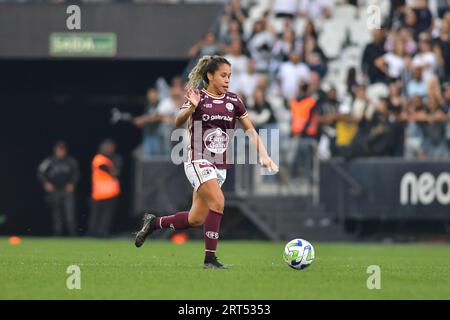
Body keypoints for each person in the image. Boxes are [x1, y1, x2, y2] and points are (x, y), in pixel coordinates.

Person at [134, 55, 278, 269]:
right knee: (218, 202)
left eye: (229, 75)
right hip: (198, 160)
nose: (227, 79)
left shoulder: (234, 101)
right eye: (223, 75)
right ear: (210, 75)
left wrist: (264, 154)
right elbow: (178, 122)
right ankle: (210, 259)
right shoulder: (197, 96)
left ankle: (154, 223)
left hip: (220, 165)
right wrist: (191, 107)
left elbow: (250, 129)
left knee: (195, 219)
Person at [37, 141, 79, 236]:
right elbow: (40, 172)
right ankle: (57, 234)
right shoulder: (49, 161)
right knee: (56, 214)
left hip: (67, 190)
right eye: (58, 149)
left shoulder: (70, 161)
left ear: (65, 150)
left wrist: (72, 184)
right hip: (54, 190)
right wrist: (46, 183)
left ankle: (73, 234)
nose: (60, 151)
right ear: (55, 150)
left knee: (70, 214)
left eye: (62, 149)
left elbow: (76, 173)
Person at [89, 139, 122, 238]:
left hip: (111, 193)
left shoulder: (115, 158)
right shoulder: (99, 158)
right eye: (107, 146)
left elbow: (117, 171)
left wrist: (114, 171)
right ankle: (92, 233)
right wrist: (113, 171)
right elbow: (108, 170)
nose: (109, 149)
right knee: (96, 215)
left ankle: (103, 233)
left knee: (107, 216)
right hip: (99, 193)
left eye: (111, 146)